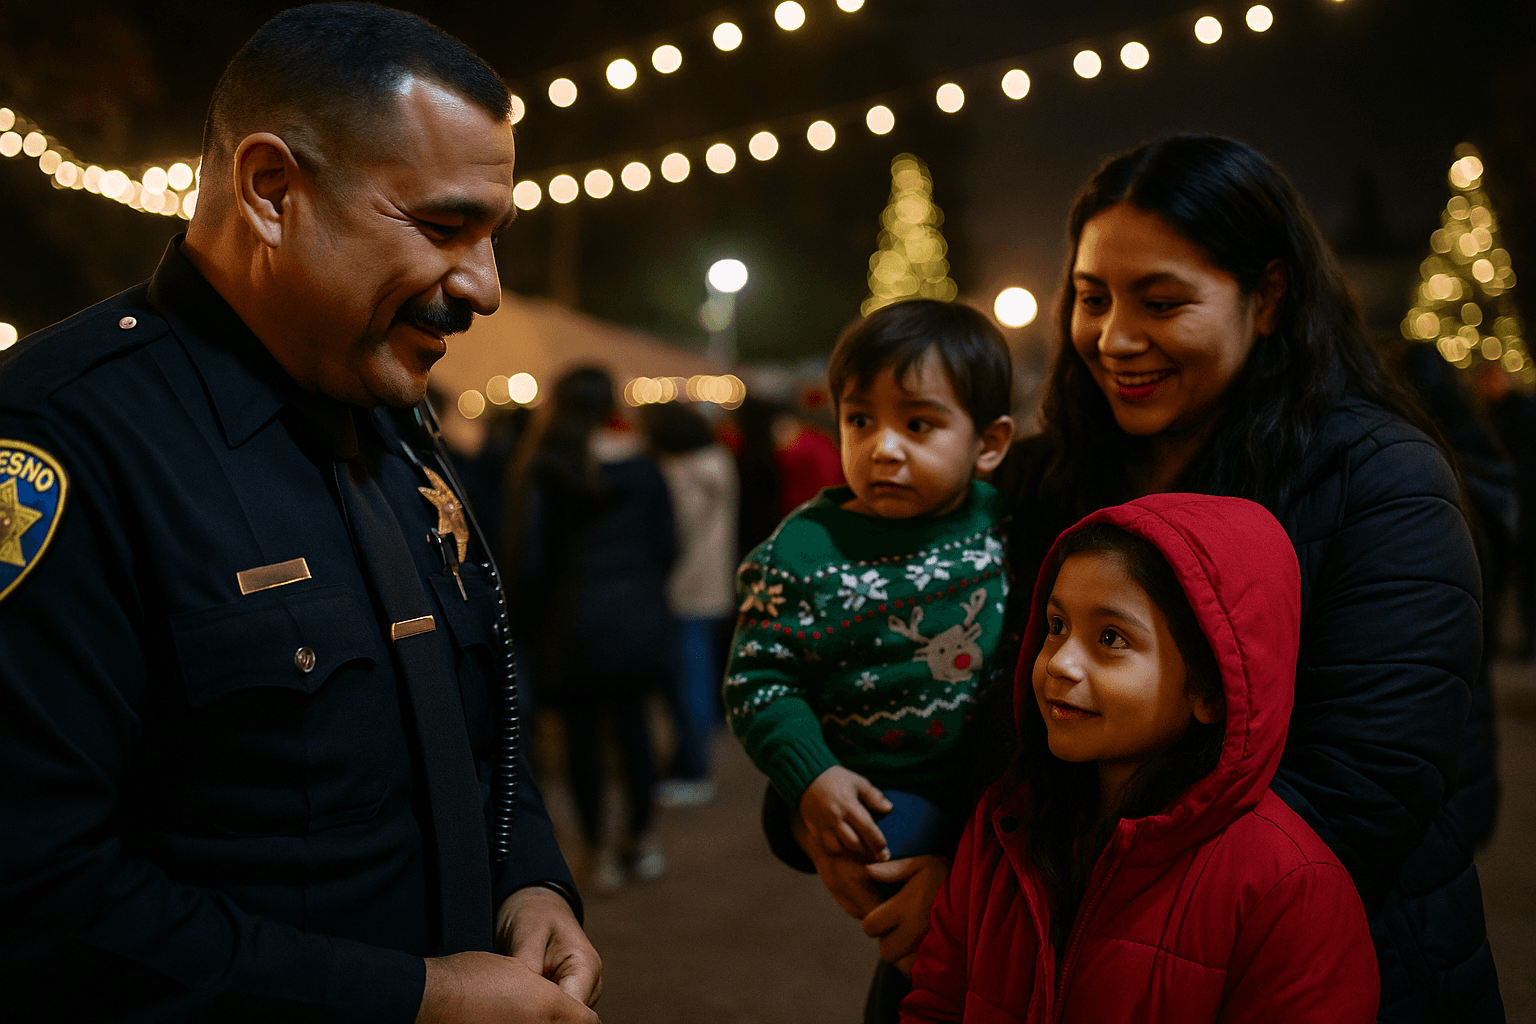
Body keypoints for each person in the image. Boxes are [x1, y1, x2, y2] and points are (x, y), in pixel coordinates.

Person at [0, 6, 600, 1022]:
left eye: (494, 237)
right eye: (446, 227)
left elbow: (471, 720)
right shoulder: (60, 441)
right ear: (272, 189)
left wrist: (533, 880)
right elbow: (37, 890)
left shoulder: (390, 413)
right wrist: (416, 998)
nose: (485, 288)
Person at [991, 134, 1501, 1020]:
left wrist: (1112, 915)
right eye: (1090, 298)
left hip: (1316, 966)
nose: (1114, 337)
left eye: (1161, 301)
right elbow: (967, 694)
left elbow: (1366, 782)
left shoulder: (1378, 479)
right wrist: (856, 821)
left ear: (1267, 297)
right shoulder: (1044, 477)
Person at [904, 494, 1379, 1022]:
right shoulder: (1009, 820)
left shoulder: (1291, 890)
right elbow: (936, 1003)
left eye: (1111, 638)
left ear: (1211, 689)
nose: (1060, 662)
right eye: (1056, 625)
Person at [724, 299, 1014, 1019]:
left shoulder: (1007, 519)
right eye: (860, 420)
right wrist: (811, 775)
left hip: (994, 796)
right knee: (925, 949)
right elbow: (759, 679)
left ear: (988, 443)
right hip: (886, 798)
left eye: (918, 424)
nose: (883, 448)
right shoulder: (801, 551)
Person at [504, 366, 677, 892]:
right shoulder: (645, 467)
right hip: (636, 618)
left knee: (580, 738)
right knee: (634, 730)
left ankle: (596, 852)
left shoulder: (546, 465)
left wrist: (523, 622)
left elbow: (528, 557)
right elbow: (668, 545)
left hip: (570, 621)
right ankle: (641, 842)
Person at [642, 401, 740, 807]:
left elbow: (676, 529)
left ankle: (693, 768)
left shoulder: (685, 472)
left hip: (685, 586)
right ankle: (693, 759)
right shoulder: (717, 460)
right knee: (698, 674)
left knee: (689, 681)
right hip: (709, 583)